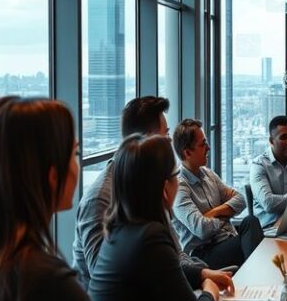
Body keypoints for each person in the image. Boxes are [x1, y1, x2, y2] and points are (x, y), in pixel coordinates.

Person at [0, 97, 162, 301]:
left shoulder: (8, 263)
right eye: (74, 153)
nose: (79, 163)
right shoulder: (42, 278)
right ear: (52, 175)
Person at [90, 134, 266, 301]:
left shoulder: (121, 229)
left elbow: (166, 269)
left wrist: (202, 274)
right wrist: (213, 299)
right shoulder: (150, 235)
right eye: (175, 175)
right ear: (165, 188)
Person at [73, 96, 207, 290]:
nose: (170, 142)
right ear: (145, 141)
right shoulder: (100, 196)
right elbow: (104, 278)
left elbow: (175, 251)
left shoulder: (148, 184)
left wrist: (200, 272)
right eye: (166, 135)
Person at [172, 119, 264, 269]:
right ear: (187, 152)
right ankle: (254, 276)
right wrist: (226, 213)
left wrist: (214, 212)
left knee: (251, 221)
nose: (208, 147)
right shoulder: (180, 188)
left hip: (226, 240)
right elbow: (202, 230)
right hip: (204, 254)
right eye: (202, 144)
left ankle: (253, 275)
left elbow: (240, 200)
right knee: (253, 238)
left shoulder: (208, 174)